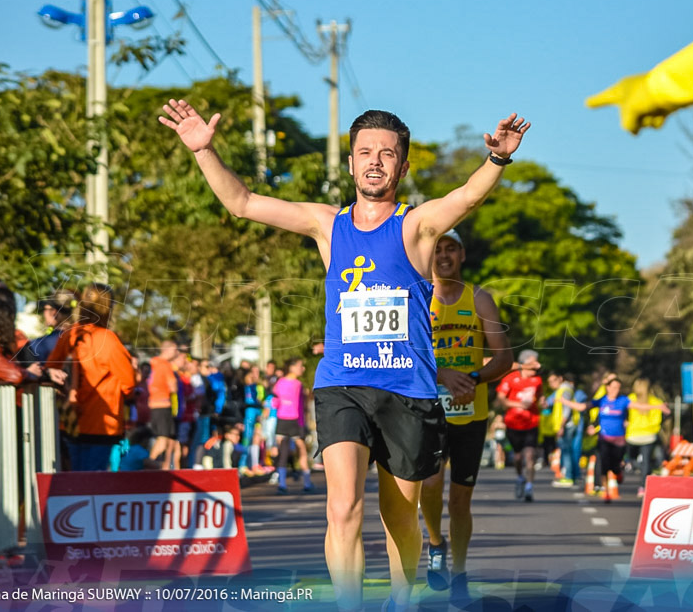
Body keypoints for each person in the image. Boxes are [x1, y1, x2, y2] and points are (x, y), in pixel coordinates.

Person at [160, 99, 529, 610]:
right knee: (342, 508)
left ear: (402, 166)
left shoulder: (417, 226)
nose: (375, 161)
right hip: (342, 385)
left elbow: (465, 197)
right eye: (364, 152)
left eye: (387, 153)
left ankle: (401, 601)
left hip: (408, 390)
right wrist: (204, 151)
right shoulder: (326, 224)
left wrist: (497, 160)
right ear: (351, 163)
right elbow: (242, 202)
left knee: (400, 517)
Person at [420, 229, 512, 599]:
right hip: (428, 405)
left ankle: (459, 571)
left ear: (461, 255)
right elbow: (406, 353)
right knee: (429, 485)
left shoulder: (479, 298)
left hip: (471, 411)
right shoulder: (419, 297)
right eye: (437, 250)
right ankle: (435, 543)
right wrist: (441, 375)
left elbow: (504, 358)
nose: (443, 256)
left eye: (450, 250)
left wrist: (472, 379)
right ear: (429, 257)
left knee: (460, 499)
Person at [46, 283, 135, 471]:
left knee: (74, 480)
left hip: (70, 421)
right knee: (93, 484)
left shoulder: (69, 335)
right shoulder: (108, 340)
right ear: (107, 308)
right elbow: (128, 384)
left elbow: (50, 370)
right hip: (101, 424)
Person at [562, 375, 670, 503]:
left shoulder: (623, 400)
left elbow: (640, 406)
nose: (616, 390)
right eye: (613, 387)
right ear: (607, 388)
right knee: (603, 464)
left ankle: (618, 473)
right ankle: (606, 491)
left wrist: (657, 407)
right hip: (604, 438)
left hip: (619, 441)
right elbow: (582, 407)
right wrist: (565, 402)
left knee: (615, 466)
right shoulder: (601, 401)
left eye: (618, 388)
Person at [496, 350, 544, 503]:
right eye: (532, 365)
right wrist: (518, 404)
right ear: (524, 364)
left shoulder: (537, 381)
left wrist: (543, 402)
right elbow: (501, 400)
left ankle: (529, 486)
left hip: (532, 422)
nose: (536, 368)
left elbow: (541, 397)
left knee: (530, 455)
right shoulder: (510, 379)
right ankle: (520, 477)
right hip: (513, 422)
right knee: (517, 456)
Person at [272, 357, 315, 494]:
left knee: (285, 452)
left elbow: (275, 403)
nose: (302, 369)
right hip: (293, 421)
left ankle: (284, 483)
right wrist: (303, 426)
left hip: (283, 421)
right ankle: (303, 482)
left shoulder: (279, 383)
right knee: (299, 451)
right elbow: (301, 408)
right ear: (292, 367)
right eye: (300, 366)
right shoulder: (297, 384)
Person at [625, 378, 665, 497]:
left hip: (633, 434)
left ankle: (640, 470)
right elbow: (658, 420)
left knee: (631, 459)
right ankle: (643, 486)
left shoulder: (629, 399)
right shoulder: (655, 401)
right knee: (646, 461)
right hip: (649, 435)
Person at [147, 340, 181, 469]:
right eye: (175, 349)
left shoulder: (154, 363)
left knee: (165, 437)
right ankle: (150, 461)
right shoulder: (164, 364)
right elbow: (173, 387)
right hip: (162, 403)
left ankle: (161, 466)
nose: (176, 353)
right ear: (168, 350)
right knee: (163, 438)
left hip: (154, 403)